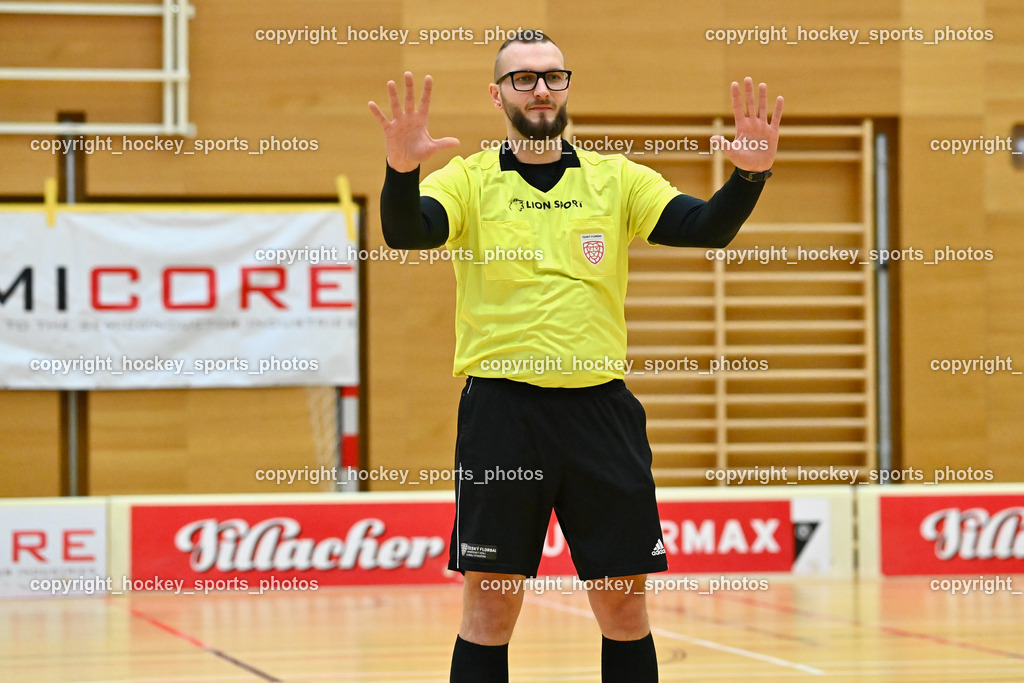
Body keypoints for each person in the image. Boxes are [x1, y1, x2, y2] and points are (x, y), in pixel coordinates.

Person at [369, 30, 783, 683]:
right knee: (490, 605)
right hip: (504, 414)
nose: (540, 89)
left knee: (623, 602)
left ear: (566, 86)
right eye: (524, 79)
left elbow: (706, 226)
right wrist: (401, 170)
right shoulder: (470, 180)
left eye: (553, 77)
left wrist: (750, 176)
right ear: (496, 94)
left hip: (601, 413)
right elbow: (405, 232)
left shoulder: (614, 179)